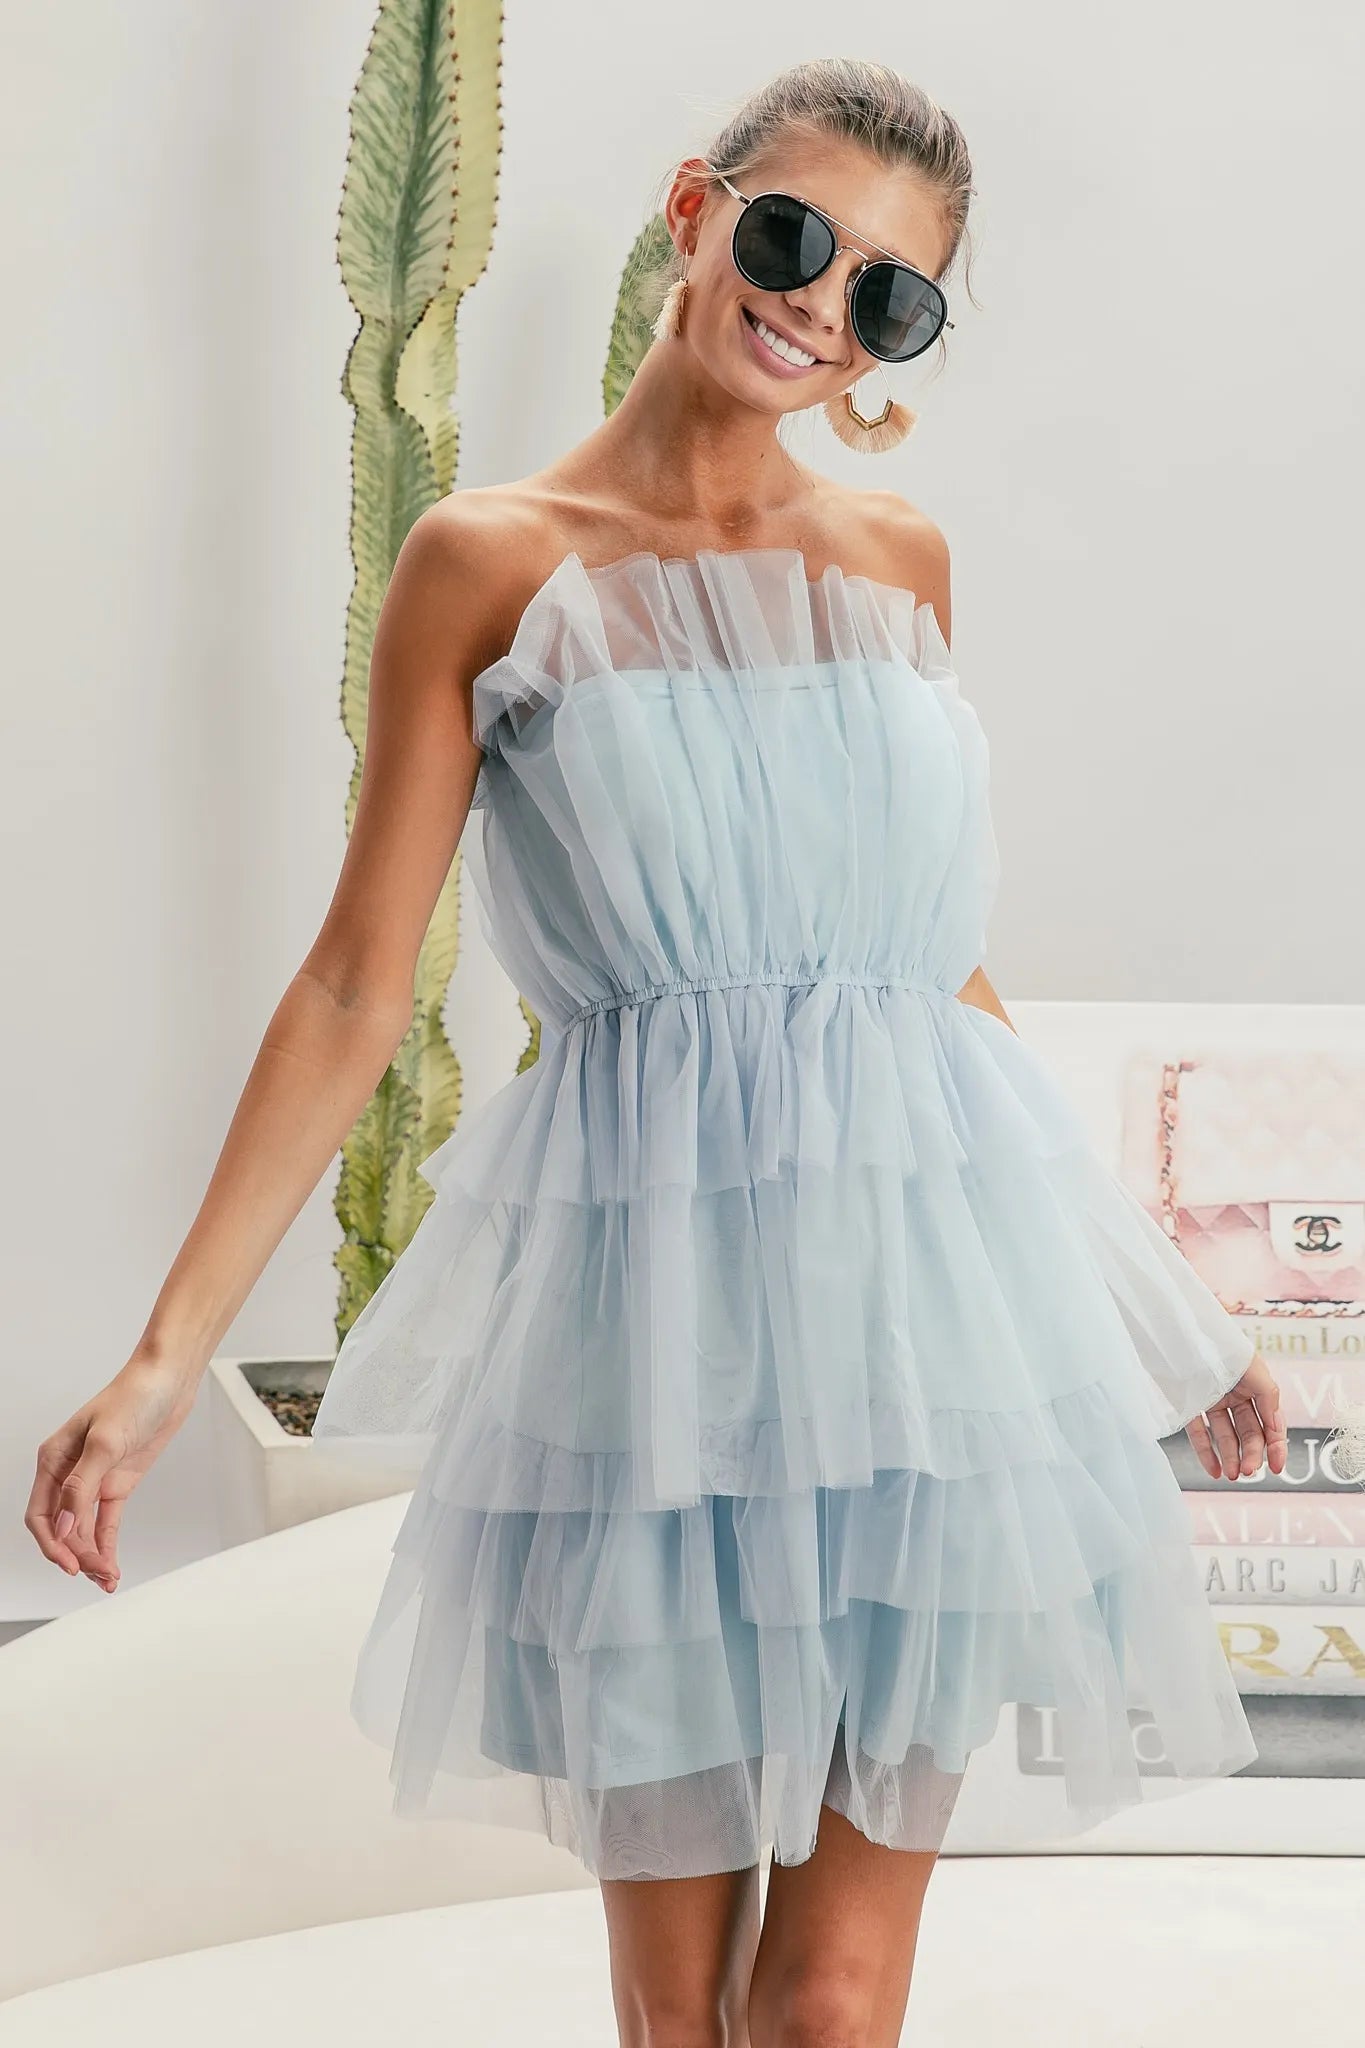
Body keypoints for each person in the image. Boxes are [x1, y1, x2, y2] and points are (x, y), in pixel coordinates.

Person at [28, 55, 1285, 2048]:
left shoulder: (897, 567)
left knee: (835, 2003)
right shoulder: (486, 558)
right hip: (658, 1368)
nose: (818, 303)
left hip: (925, 1366)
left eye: (889, 295)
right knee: (677, 2018)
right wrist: (167, 1357)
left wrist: (1160, 1312)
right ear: (695, 211)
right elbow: (361, 983)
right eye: (794, 237)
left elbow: (928, 980)